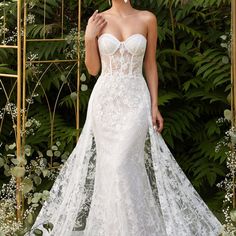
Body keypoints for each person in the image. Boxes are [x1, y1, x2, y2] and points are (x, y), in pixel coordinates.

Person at [26, 0, 223, 235]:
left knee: (122, 165)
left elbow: (150, 65)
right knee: (110, 169)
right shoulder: (98, 21)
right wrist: (89, 38)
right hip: (104, 103)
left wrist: (154, 105)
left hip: (135, 102)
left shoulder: (147, 18)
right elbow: (92, 70)